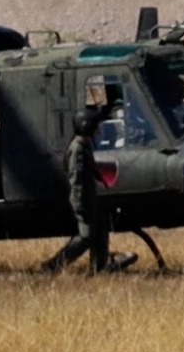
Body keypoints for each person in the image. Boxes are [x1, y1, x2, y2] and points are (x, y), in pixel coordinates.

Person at [43, 107, 137, 274]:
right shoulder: (78, 148)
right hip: (82, 198)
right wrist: (80, 203)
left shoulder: (84, 145)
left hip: (89, 197)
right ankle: (53, 265)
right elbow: (76, 177)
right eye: (95, 126)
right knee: (86, 236)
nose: (98, 129)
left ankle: (99, 267)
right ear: (87, 126)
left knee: (100, 231)